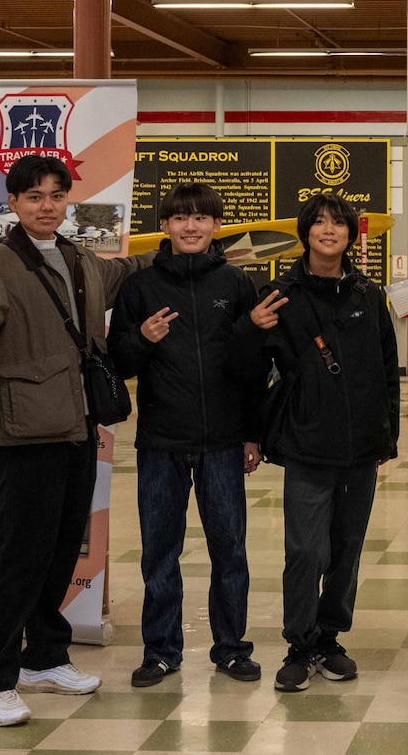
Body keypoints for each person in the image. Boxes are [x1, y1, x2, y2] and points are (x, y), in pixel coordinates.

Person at [0, 155, 156, 728]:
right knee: (19, 558)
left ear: (67, 201)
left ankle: (45, 658)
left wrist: (181, 251)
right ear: (14, 204)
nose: (46, 205)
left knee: (58, 553)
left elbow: (127, 270)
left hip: (78, 425)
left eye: (56, 195)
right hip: (26, 429)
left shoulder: (80, 259)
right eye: (34, 197)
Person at [108, 182, 285, 688]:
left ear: (215, 226)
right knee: (159, 550)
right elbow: (116, 362)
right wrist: (142, 339)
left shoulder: (236, 284)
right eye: (181, 218)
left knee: (230, 549)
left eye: (201, 218)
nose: (191, 226)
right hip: (162, 440)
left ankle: (231, 649)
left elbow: (255, 367)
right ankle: (160, 651)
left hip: (225, 442)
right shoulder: (140, 287)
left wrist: (253, 434)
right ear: (164, 226)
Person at [240, 191, 401, 693]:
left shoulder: (368, 295)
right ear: (305, 232)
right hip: (307, 443)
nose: (329, 231)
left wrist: (386, 439)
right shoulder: (280, 292)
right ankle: (299, 642)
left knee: (347, 548)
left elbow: (387, 372)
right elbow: (250, 369)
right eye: (319, 223)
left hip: (360, 449)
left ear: (351, 235)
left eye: (339, 224)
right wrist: (250, 330)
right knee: (306, 551)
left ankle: (330, 637)